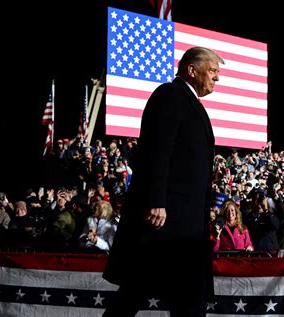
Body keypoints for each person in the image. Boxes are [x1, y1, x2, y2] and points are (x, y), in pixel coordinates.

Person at [103, 46, 224, 316]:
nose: (217, 78)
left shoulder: (193, 104)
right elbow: (158, 150)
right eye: (213, 70)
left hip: (186, 224)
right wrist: (156, 200)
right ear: (192, 70)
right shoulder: (171, 95)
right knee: (139, 289)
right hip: (167, 221)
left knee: (181, 296)